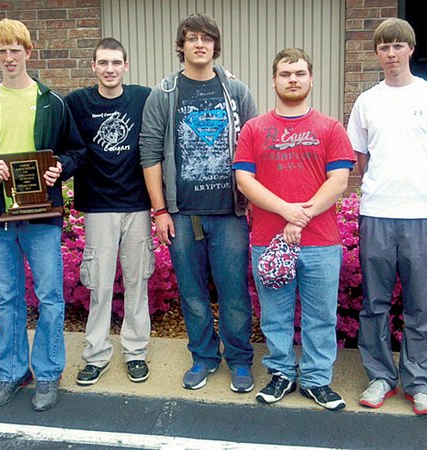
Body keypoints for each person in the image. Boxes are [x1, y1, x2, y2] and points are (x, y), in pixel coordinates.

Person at [0, 18, 85, 412]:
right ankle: (11, 372)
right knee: (10, 298)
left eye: (16, 49)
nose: (9, 57)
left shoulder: (52, 102)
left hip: (42, 216)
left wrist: (59, 167)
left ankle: (47, 374)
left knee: (49, 297)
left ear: (29, 52)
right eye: (2, 51)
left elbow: (76, 152)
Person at [347, 18, 427, 416]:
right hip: (377, 214)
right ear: (377, 53)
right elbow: (361, 158)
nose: (391, 53)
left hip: (421, 217)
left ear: (411, 49)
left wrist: (422, 191)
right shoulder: (367, 101)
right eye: (384, 47)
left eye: (398, 45)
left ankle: (420, 383)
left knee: (420, 304)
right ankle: (380, 377)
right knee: (374, 303)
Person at [139, 13, 258, 392]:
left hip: (229, 213)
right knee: (192, 293)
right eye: (192, 38)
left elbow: (254, 149)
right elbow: (149, 152)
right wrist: (160, 210)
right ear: (182, 46)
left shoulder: (235, 92)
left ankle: (239, 360)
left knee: (234, 292)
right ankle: (203, 357)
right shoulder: (166, 93)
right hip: (183, 213)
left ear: (215, 45)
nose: (200, 44)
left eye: (207, 38)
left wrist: (255, 200)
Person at [234, 48, 355, 409]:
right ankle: (282, 374)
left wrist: (301, 215)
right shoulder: (254, 130)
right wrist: (287, 210)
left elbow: (339, 180)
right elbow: (244, 180)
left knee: (320, 316)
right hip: (268, 242)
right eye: (285, 73)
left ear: (311, 79)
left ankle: (317, 380)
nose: (293, 79)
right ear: (273, 80)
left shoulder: (330, 127)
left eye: (300, 73)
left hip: (321, 243)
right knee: (275, 315)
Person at [64, 38, 154, 385]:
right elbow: (41, 103)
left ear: (126, 66)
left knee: (137, 282)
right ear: (93, 67)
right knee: (99, 287)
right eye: (103, 63)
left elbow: (180, 96)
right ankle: (96, 354)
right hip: (99, 207)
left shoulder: (144, 97)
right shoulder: (77, 102)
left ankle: (135, 352)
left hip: (137, 205)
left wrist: (225, 79)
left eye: (116, 62)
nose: (110, 69)